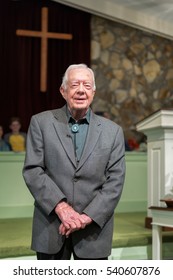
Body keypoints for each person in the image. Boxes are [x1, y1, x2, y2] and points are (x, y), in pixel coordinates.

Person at [23, 63, 126, 260]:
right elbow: (33, 170)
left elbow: (115, 181)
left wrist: (85, 218)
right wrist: (62, 208)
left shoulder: (113, 131)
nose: (81, 90)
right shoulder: (41, 123)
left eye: (87, 86)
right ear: (63, 91)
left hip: (93, 232)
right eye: (75, 85)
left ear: (93, 92)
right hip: (51, 227)